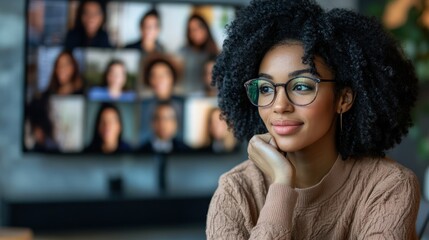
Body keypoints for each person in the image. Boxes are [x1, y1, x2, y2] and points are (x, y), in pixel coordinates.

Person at [206, 0, 420, 239]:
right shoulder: (236, 191)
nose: (279, 105)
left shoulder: (388, 186)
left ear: (343, 99)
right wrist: (281, 185)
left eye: (301, 86)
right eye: (266, 88)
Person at [178, 14, 219, 93]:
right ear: (188, 33)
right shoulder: (182, 53)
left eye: (199, 27)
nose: (196, 32)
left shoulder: (218, 53)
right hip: (188, 95)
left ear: (206, 28)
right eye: (192, 30)